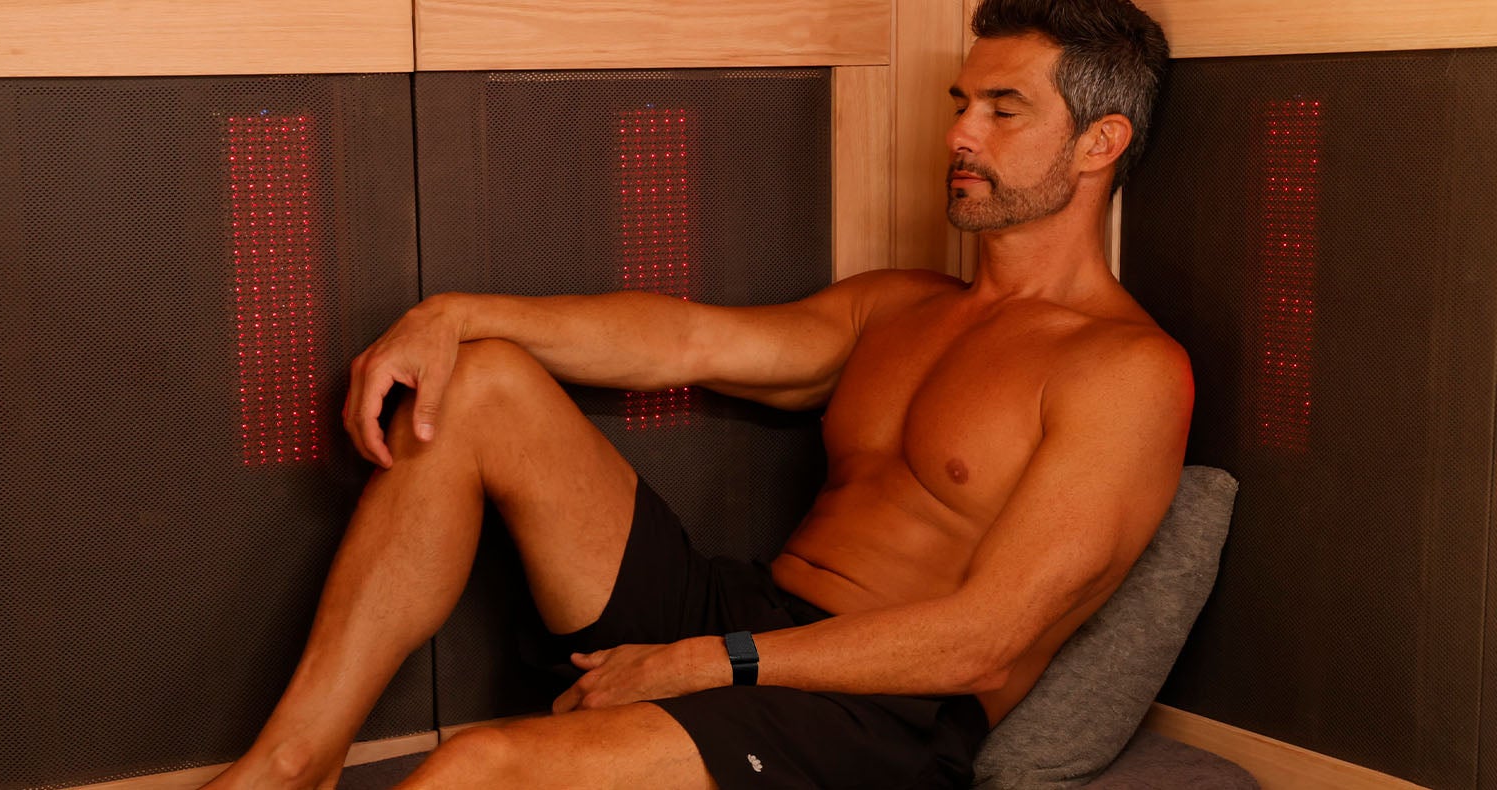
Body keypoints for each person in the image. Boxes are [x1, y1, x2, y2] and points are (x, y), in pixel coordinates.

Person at [207, 0, 1187, 786]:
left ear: (1100, 143)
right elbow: (681, 336)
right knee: (487, 380)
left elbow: (985, 640)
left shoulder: (1127, 371)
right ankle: (291, 763)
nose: (958, 132)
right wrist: (457, 313)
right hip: (748, 614)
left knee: (480, 766)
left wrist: (715, 661)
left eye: (1002, 109)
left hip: (875, 712)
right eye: (959, 100)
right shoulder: (900, 307)